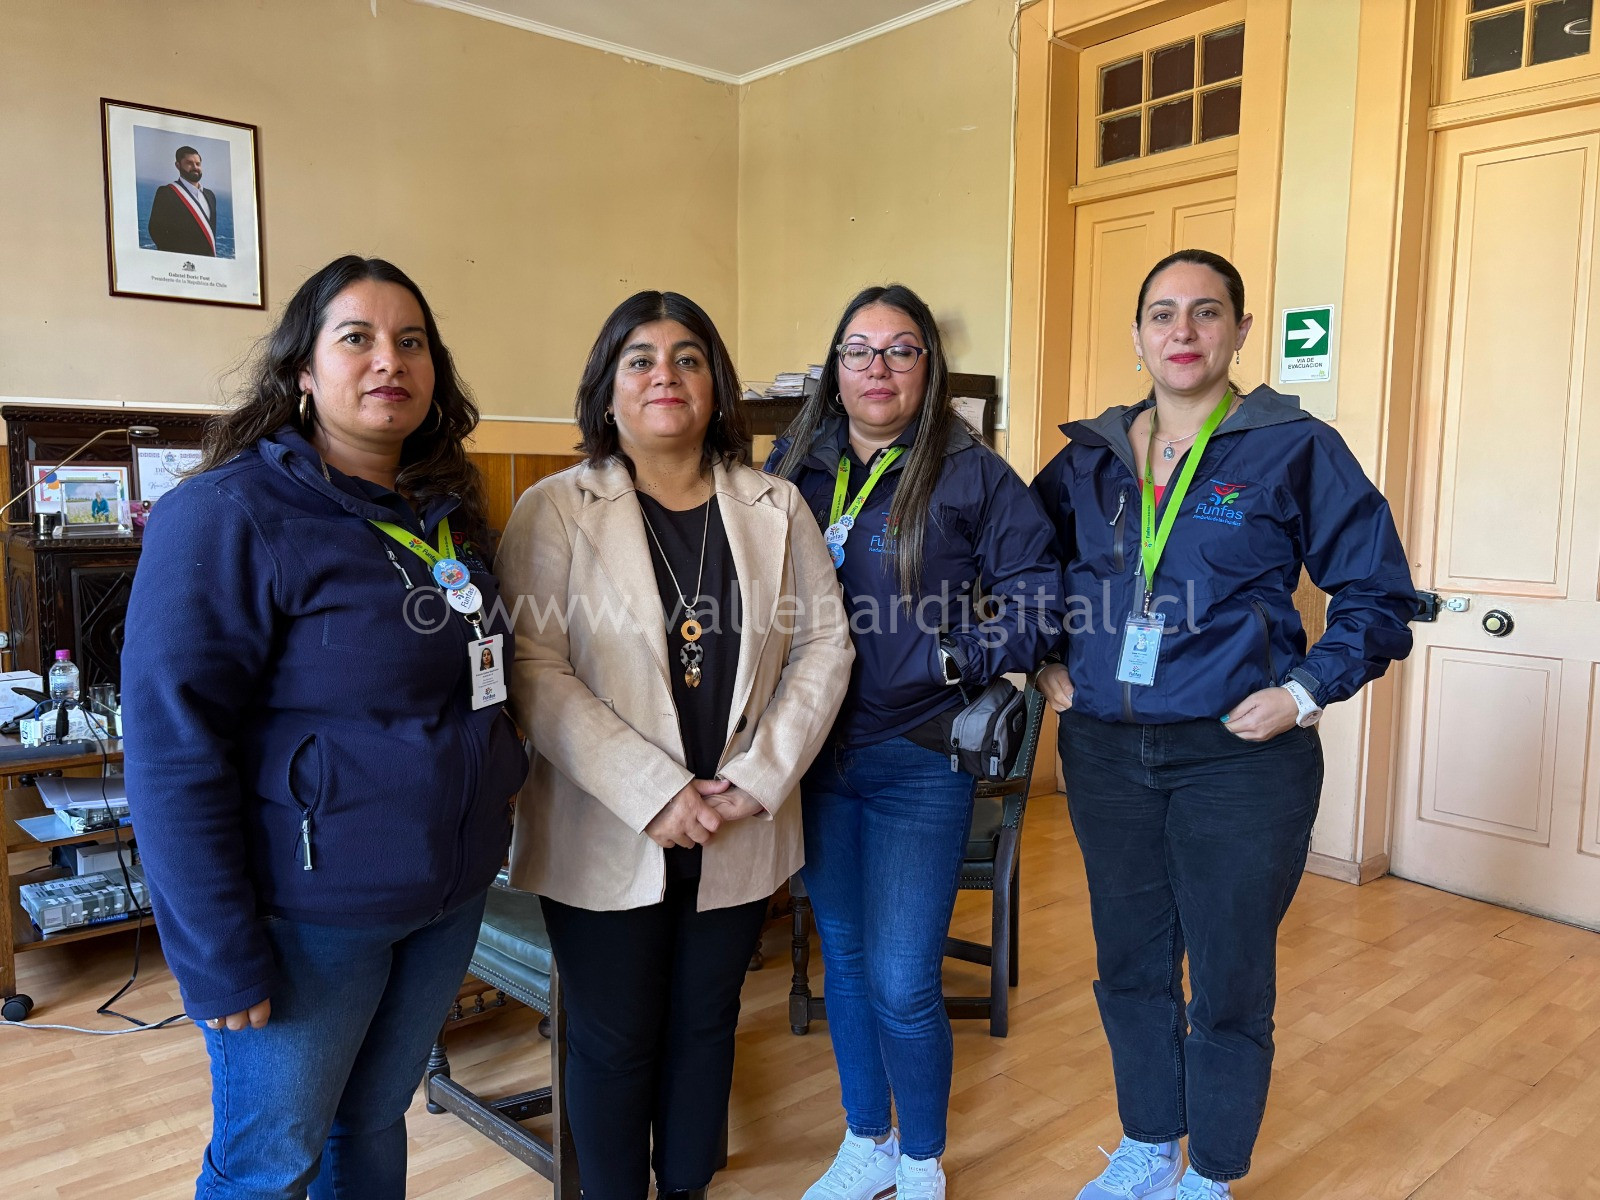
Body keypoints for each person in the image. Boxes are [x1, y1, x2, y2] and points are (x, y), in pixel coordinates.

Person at [122, 255, 529, 1200]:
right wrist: (217, 956)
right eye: (357, 338)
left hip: (446, 897)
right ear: (302, 371)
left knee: (373, 1120)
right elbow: (172, 751)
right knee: (269, 1167)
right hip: (307, 918)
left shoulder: (448, 517)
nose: (390, 360)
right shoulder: (226, 514)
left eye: (411, 342)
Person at [1030, 249, 1415, 1200]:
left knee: (1230, 974)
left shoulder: (1295, 447)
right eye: (1162, 314)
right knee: (1129, 965)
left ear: (1241, 331)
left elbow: (1378, 593)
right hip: (1106, 753)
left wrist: (1306, 690)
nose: (1183, 331)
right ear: (1137, 336)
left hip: (1240, 760)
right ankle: (1148, 1143)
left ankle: (1212, 1172)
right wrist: (1041, 661)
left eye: (1206, 312)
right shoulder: (1087, 460)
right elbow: (1021, 570)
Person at [496, 290, 854, 1200]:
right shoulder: (554, 508)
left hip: (738, 820)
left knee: (706, 1025)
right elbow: (531, 666)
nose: (667, 375)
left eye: (688, 358)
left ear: (716, 385)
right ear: (607, 389)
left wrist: (759, 778)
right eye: (641, 360)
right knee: (613, 1038)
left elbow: (825, 644)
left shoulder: (776, 505)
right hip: (605, 824)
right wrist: (653, 790)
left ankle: (687, 1187)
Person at [768, 284, 1065, 1200]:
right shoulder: (794, 465)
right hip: (814, 754)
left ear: (928, 368)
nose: (879, 368)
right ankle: (868, 1141)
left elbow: (1040, 600)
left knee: (902, 979)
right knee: (847, 962)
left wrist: (951, 654)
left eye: (901, 350)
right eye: (859, 350)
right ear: (835, 369)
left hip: (919, 757)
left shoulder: (972, 474)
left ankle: (923, 1160)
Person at [147, 144, 219, 256]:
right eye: (189, 163)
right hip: (181, 261)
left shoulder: (210, 195)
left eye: (198, 164)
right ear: (178, 165)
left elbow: (211, 232)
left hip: (206, 261)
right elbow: (155, 230)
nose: (195, 167)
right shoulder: (166, 192)